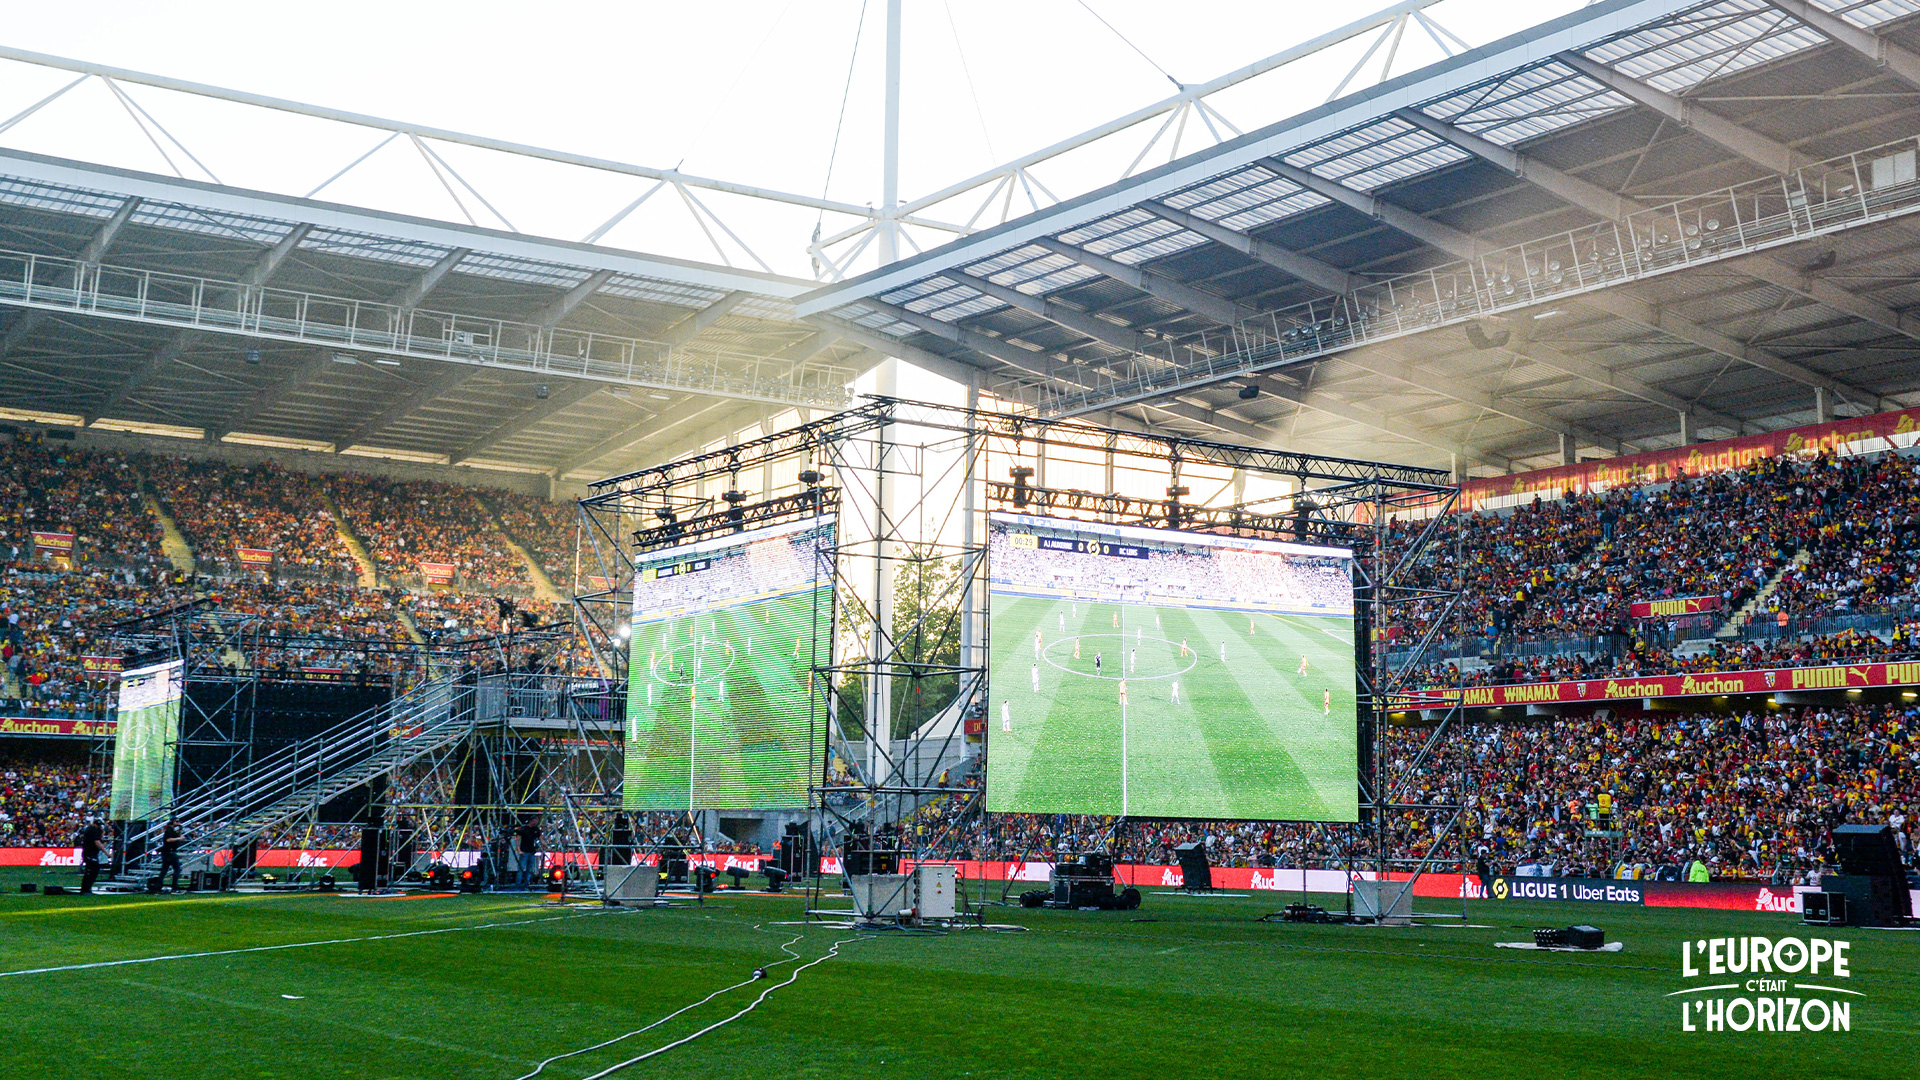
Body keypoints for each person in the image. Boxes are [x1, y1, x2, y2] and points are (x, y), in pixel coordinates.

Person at [79, 818, 104, 894]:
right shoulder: (92, 830)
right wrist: (106, 852)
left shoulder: (94, 830)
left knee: (93, 870)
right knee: (90, 870)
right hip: (89, 853)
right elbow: (97, 842)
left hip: (92, 853)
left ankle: (87, 888)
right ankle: (85, 889)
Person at [159, 819, 185, 893]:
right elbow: (168, 839)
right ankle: (175, 886)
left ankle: (159, 886)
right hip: (169, 852)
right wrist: (179, 838)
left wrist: (180, 828)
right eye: (176, 821)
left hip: (168, 852)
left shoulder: (172, 830)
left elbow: (177, 835)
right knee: (177, 869)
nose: (178, 823)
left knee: (164, 870)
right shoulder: (169, 830)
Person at [515, 817, 541, 889]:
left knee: (529, 869)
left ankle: (526, 884)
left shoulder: (535, 829)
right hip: (524, 851)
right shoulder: (523, 829)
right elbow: (517, 840)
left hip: (531, 851)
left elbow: (540, 838)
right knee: (521, 869)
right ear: (532, 821)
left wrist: (545, 846)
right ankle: (518, 885)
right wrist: (519, 850)